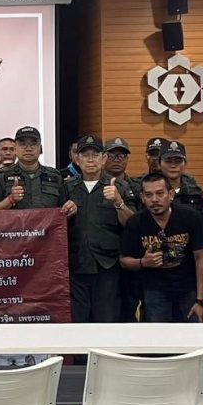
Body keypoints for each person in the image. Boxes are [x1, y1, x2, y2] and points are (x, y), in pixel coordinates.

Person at [119, 173, 203, 323]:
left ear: (171, 195)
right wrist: (143, 262)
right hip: (154, 290)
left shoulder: (191, 217)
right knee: (158, 335)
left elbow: (201, 258)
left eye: (160, 193)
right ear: (142, 198)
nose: (154, 199)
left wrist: (201, 300)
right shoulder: (136, 222)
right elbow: (124, 260)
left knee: (192, 334)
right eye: (149, 195)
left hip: (188, 289)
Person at [66, 136, 135, 323]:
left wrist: (119, 202)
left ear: (104, 159)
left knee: (106, 320)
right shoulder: (68, 187)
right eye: (85, 155)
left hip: (107, 265)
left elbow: (132, 224)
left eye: (95, 155)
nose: (90, 160)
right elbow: (56, 224)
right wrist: (64, 213)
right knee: (78, 321)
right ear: (77, 159)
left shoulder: (119, 186)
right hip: (77, 264)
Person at [0, 127, 76, 217]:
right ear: (15, 149)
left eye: (33, 144)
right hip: (14, 227)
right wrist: (10, 200)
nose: (28, 148)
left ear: (41, 149)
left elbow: (64, 210)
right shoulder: (2, 176)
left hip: (47, 227)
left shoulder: (54, 176)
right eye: (23, 144)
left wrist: (71, 208)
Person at [103, 137, 141, 323]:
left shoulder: (138, 186)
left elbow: (139, 223)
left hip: (131, 257)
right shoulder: (92, 184)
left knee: (128, 308)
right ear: (103, 157)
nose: (117, 160)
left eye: (122, 156)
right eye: (112, 155)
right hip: (103, 258)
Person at [157, 141, 203, 218]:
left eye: (178, 161)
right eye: (168, 161)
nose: (173, 166)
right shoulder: (152, 191)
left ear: (185, 163)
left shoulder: (195, 192)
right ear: (159, 164)